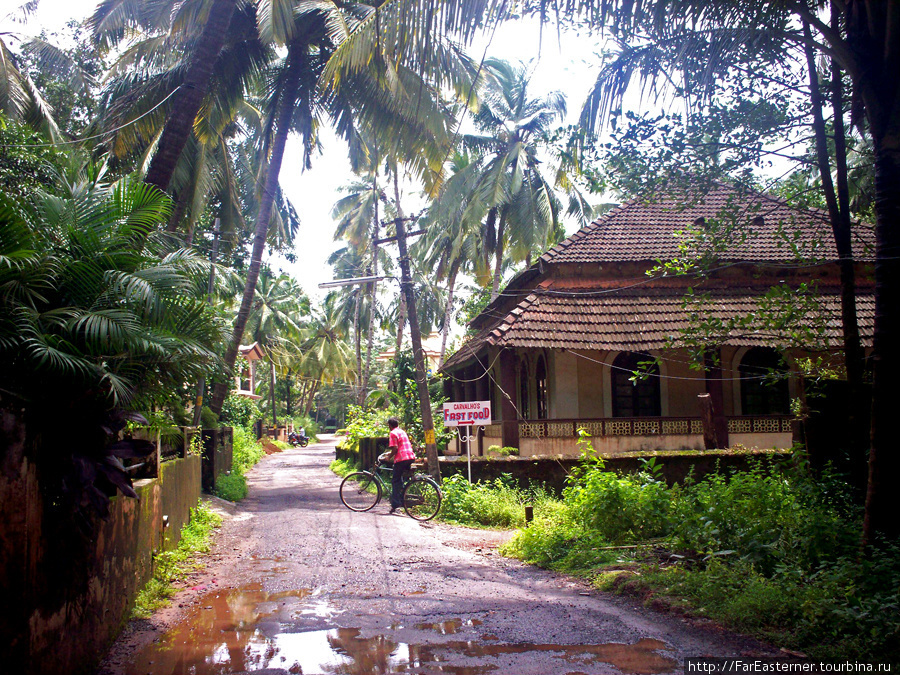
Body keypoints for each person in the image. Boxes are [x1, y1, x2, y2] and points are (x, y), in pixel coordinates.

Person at [386, 417, 416, 513]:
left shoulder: (393, 433)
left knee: (395, 480)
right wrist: (390, 454)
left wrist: (388, 457)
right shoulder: (402, 431)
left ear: (390, 426)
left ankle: (395, 504)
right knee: (401, 479)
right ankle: (403, 498)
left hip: (402, 458)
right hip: (410, 457)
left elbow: (395, 448)